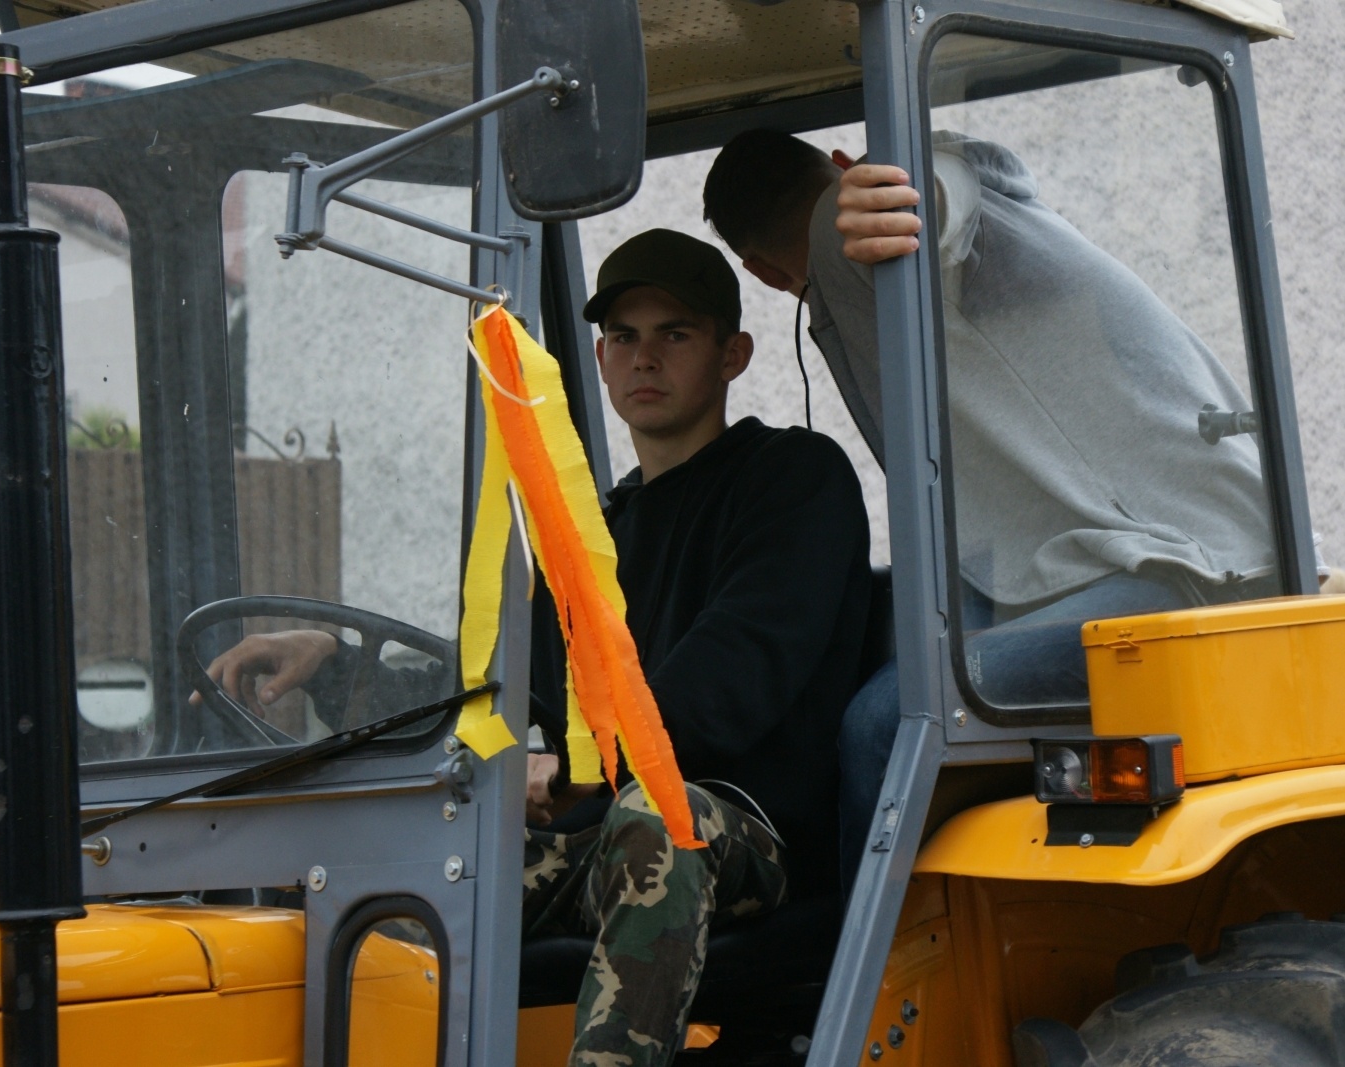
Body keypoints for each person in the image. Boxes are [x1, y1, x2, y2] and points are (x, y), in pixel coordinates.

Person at [197, 228, 871, 1067]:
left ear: (733, 354)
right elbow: (508, 687)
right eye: (623, 337)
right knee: (365, 873)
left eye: (675, 334)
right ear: (596, 356)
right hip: (601, 837)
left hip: (740, 830)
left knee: (653, 818)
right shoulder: (593, 532)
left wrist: (581, 767)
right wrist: (334, 662)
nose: (644, 358)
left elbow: (731, 671)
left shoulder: (793, 479)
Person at [703, 129, 1284, 890]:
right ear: (841, 158)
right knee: (894, 674)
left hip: (1174, 566)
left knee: (883, 725)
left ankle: (859, 983)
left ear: (763, 276)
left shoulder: (871, 233)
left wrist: (893, 195)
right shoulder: (877, 277)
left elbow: (954, 192)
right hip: (1089, 562)